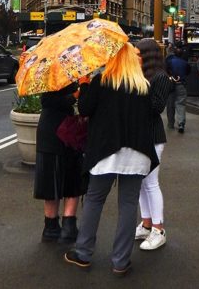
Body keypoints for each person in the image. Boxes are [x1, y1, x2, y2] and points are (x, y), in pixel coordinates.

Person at [64, 43, 157, 275]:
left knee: (95, 200)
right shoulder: (143, 86)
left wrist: (84, 84)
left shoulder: (101, 83)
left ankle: (83, 252)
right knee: (127, 205)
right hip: (137, 154)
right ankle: (120, 261)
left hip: (105, 152)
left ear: (113, 60)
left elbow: (84, 109)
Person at [34, 83, 86, 244]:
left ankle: (53, 227)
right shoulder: (60, 75)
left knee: (55, 177)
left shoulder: (48, 73)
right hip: (62, 132)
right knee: (69, 176)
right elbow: (51, 101)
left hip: (51, 132)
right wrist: (77, 93)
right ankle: (63, 226)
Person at [135, 38, 172, 251]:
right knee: (140, 182)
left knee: (150, 183)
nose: (135, 57)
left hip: (153, 135)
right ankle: (146, 223)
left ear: (147, 55)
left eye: (138, 54)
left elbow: (156, 107)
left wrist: (139, 88)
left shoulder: (160, 77)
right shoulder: (143, 76)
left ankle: (159, 229)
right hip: (140, 134)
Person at [165, 44, 190, 133]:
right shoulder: (185, 63)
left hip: (171, 85)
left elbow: (165, 72)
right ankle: (181, 123)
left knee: (170, 104)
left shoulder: (169, 61)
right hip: (181, 85)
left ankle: (171, 123)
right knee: (181, 104)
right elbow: (187, 72)